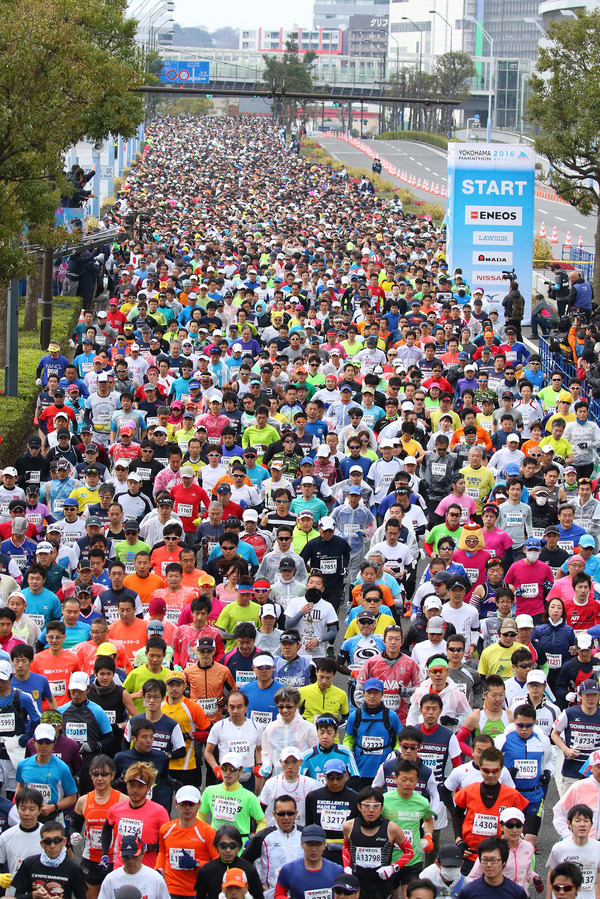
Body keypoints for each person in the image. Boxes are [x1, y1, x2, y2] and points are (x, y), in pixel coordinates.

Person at [72, 754, 127, 898]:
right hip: (91, 859)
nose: (99, 778)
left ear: (112, 775)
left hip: (115, 859)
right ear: (90, 776)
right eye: (95, 774)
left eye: (104, 774)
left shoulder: (123, 800)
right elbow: (74, 827)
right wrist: (73, 835)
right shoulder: (83, 801)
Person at [156, 785, 218, 899]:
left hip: (197, 891)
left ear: (199, 805)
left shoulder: (207, 832)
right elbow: (162, 852)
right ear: (176, 804)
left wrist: (197, 864)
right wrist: (158, 870)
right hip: (171, 890)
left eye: (191, 804)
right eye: (183, 804)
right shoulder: (166, 829)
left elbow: (218, 863)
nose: (187, 808)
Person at [242, 794, 303, 899]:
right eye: (281, 814)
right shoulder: (262, 837)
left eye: (290, 813)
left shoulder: (304, 835)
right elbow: (244, 862)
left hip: (299, 894)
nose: (286, 818)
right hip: (270, 895)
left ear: (296, 814)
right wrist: (256, 885)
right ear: (274, 815)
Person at [11, 820, 87, 899]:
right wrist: (32, 896)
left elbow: (82, 897)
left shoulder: (73, 868)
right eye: (48, 841)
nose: (52, 846)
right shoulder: (29, 863)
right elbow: (17, 896)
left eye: (56, 841)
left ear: (64, 842)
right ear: (42, 844)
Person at [274, 824, 343, 899]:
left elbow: (345, 895)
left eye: (318, 844)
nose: (314, 849)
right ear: (301, 844)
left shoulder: (337, 871)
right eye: (309, 844)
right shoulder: (288, 870)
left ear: (324, 845)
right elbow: (278, 895)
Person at [195, 825, 265, 899]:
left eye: (232, 845)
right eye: (223, 845)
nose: (228, 850)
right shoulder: (205, 870)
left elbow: (259, 896)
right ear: (217, 847)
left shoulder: (249, 869)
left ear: (239, 847)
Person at [547, 804, 600, 899]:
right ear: (569, 824)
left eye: (586, 821)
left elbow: (598, 873)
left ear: (591, 824)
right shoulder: (559, 848)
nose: (582, 824)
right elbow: (552, 875)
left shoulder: (598, 847)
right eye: (578, 821)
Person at [97, 836, 171, 899]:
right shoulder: (110, 880)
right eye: (126, 857)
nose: (130, 861)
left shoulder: (156, 879)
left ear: (142, 854)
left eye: (134, 857)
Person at [456, 837, 529, 899]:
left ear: (504, 862)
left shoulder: (517, 892)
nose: (488, 864)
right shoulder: (468, 892)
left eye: (493, 860)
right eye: (485, 860)